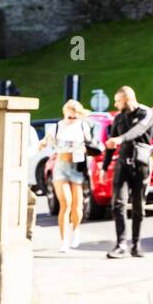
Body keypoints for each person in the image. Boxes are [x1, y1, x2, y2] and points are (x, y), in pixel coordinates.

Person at [103, 86, 153, 258]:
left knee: (139, 206)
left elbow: (138, 130)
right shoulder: (118, 118)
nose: (115, 104)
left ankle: (136, 244)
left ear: (126, 99)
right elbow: (111, 144)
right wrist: (104, 167)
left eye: (117, 100)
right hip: (123, 165)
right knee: (118, 204)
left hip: (141, 165)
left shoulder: (146, 113)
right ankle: (121, 244)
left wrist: (120, 138)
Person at [43, 100, 93, 253]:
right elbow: (47, 142)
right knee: (66, 203)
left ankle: (76, 231)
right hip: (61, 168)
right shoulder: (57, 127)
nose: (72, 120)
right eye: (69, 117)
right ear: (64, 113)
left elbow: (90, 145)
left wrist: (86, 147)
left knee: (77, 205)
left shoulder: (83, 126)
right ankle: (64, 241)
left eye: (75, 117)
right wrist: (43, 144)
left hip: (77, 167)